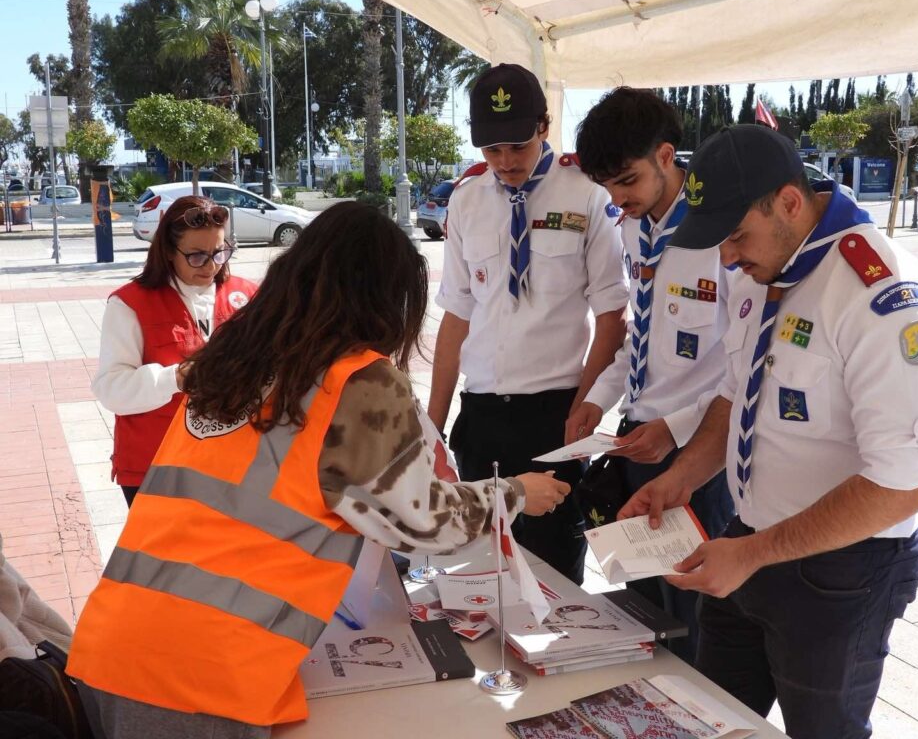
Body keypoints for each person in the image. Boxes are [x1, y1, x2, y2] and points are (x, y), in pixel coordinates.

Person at [67, 203, 570, 739]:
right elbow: (424, 523)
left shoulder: (231, 359)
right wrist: (513, 494)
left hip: (112, 645)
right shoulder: (358, 382)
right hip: (202, 677)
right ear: (383, 298)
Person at [620, 125, 918, 739]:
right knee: (712, 718)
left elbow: (904, 485)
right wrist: (681, 480)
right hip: (749, 541)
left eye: (736, 236)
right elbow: (736, 393)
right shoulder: (768, 262)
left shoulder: (884, 297)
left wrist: (752, 553)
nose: (726, 258)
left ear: (790, 203)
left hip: (842, 571)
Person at [427, 63, 629, 584]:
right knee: (476, 574)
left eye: (517, 145)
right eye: (492, 150)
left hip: (553, 417)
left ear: (544, 125)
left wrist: (585, 405)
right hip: (482, 416)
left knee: (553, 579)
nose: (506, 162)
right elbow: (456, 315)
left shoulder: (586, 194)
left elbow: (612, 317)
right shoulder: (467, 199)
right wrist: (432, 423)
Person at [569, 87, 735, 663]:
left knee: (696, 614)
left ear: (667, 156)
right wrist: (600, 397)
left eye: (628, 181)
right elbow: (642, 334)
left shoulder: (723, 231)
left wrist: (678, 427)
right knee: (641, 611)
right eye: (608, 187)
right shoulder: (635, 227)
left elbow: (746, 362)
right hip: (639, 440)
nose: (618, 199)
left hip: (701, 455)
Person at [92, 196, 258, 507]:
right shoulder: (130, 304)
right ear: (168, 251)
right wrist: (178, 377)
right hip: (156, 466)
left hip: (231, 462)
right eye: (196, 256)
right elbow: (110, 389)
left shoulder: (246, 295)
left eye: (219, 253)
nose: (210, 266)